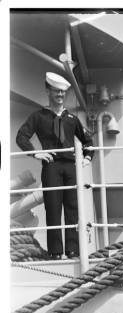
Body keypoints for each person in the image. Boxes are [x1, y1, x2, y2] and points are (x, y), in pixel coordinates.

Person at [16, 72, 93, 259]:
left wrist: (87, 158)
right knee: (53, 208)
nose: (59, 95)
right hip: (51, 168)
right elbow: (21, 137)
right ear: (48, 91)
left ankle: (73, 250)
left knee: (73, 208)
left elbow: (88, 141)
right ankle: (56, 252)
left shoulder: (72, 119)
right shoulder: (38, 116)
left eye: (62, 92)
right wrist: (36, 153)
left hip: (70, 167)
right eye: (56, 91)